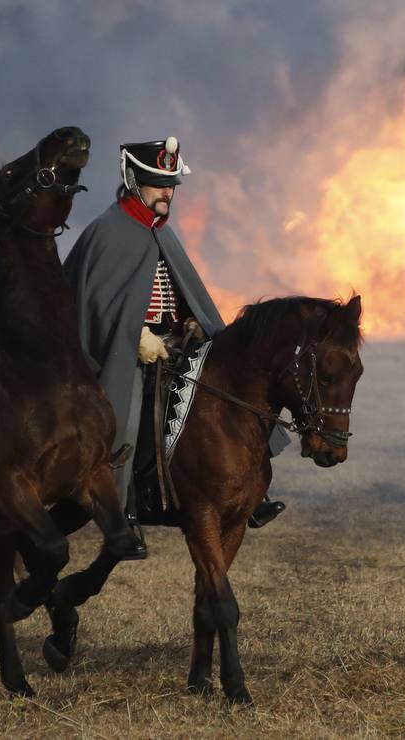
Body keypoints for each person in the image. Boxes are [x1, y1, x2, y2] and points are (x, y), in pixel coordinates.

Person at [63, 136, 289, 547]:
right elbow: (92, 304)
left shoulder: (161, 232)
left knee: (237, 393)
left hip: (175, 343)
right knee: (125, 412)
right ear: (133, 180)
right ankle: (119, 508)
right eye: (157, 183)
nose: (166, 192)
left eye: (170, 184)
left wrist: (194, 325)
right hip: (123, 351)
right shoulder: (107, 232)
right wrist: (136, 337)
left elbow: (183, 295)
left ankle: (253, 492)